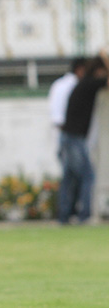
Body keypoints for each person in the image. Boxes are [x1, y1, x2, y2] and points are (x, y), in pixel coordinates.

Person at [58, 50, 109, 225]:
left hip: (68, 136)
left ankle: (64, 216)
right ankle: (84, 215)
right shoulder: (90, 83)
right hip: (74, 137)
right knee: (88, 176)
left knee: (70, 178)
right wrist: (104, 58)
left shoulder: (84, 84)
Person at [48, 57, 88, 128]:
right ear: (80, 69)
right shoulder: (76, 85)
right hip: (70, 127)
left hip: (57, 125)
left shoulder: (58, 83)